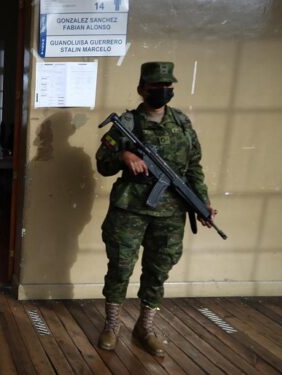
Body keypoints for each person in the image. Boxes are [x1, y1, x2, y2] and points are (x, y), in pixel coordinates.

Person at [95, 62, 217, 356]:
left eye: (168, 87)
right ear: (141, 90)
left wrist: (202, 204)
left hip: (171, 214)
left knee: (158, 270)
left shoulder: (182, 125)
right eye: (156, 88)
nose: (163, 92)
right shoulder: (127, 123)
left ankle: (144, 327)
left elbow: (193, 169)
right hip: (130, 210)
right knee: (121, 267)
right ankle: (112, 325)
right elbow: (102, 163)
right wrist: (123, 155)